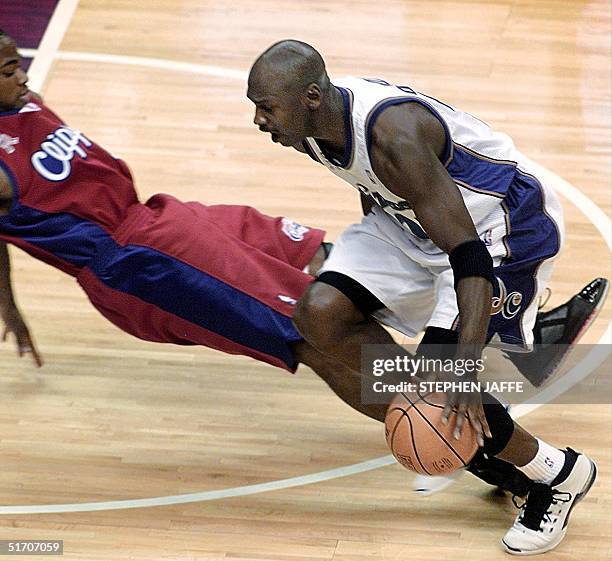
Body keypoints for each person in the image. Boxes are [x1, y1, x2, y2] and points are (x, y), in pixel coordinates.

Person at [247, 40, 608, 555]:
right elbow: (370, 181)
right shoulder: (311, 128)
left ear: (309, 97)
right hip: (414, 224)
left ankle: (558, 474)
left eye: (266, 107)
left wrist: (458, 367)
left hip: (500, 231)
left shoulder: (393, 137)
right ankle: (472, 433)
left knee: (445, 381)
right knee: (320, 314)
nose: (258, 120)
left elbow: (471, 259)